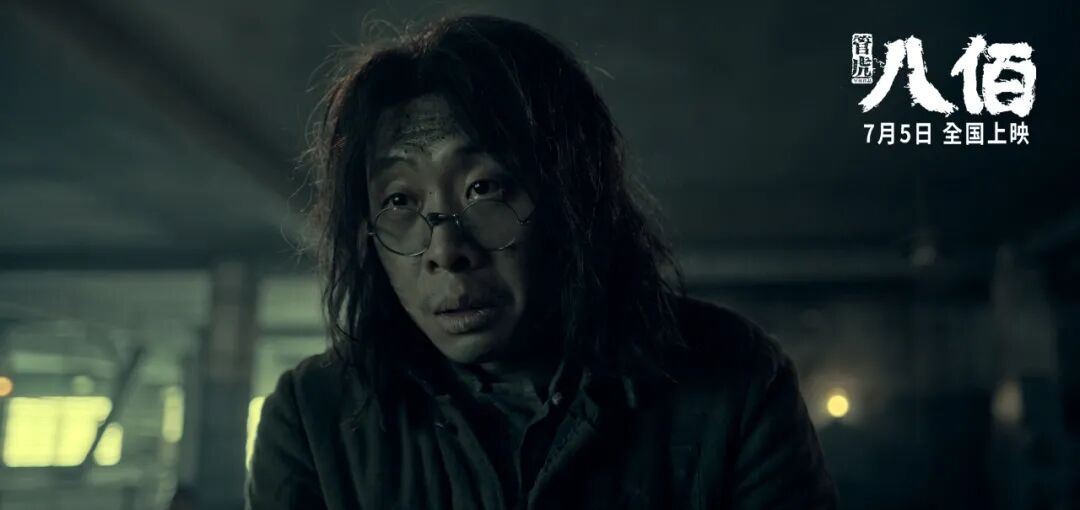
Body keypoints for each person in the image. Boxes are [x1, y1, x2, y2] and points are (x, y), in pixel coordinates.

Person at [246, 14, 837, 510]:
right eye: (400, 201)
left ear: (571, 199)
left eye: (484, 188)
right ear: (365, 233)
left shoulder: (733, 382)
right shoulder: (314, 421)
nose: (446, 252)